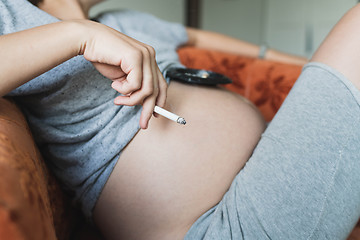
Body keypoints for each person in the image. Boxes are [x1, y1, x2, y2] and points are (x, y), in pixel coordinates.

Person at [2, 0, 359, 240]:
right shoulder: (13, 13)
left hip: (257, 178)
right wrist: (78, 35)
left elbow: (212, 41)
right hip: (211, 227)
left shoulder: (121, 21)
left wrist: (292, 61)